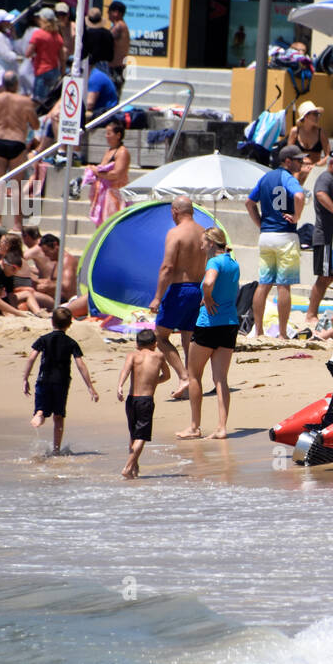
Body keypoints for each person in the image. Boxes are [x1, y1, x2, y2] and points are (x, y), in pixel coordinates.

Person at [178, 226, 240, 440]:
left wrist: (208, 296)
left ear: (212, 244)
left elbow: (209, 282)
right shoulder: (233, 262)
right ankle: (222, 428)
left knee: (194, 375)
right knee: (221, 378)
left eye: (203, 242)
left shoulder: (214, 262)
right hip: (230, 323)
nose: (201, 246)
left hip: (209, 323)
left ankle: (195, 427)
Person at [247, 144, 306, 337]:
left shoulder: (265, 177)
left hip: (266, 236)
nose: (302, 163)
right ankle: (282, 333)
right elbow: (299, 195)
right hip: (285, 235)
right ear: (287, 161)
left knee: (264, 284)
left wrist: (260, 223)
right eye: (298, 160)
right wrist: (297, 216)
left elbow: (249, 202)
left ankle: (259, 331)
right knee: (283, 285)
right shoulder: (287, 178)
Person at [149, 195, 204, 394]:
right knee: (188, 337)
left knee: (160, 336)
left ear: (175, 211)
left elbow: (167, 267)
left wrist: (157, 297)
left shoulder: (176, 233)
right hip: (199, 289)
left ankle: (183, 376)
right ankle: (192, 381)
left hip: (180, 289)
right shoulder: (203, 232)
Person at [24, 306, 98, 454]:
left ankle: (39, 415)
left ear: (52, 322)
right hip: (61, 383)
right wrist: (90, 387)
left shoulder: (43, 339)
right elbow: (80, 365)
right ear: (70, 324)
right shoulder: (71, 343)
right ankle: (56, 450)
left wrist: (25, 378)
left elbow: (31, 358)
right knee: (58, 416)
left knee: (41, 409)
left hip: (43, 380)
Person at [305, 148, 333, 327]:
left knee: (332, 276)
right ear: (331, 163)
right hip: (325, 237)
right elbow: (320, 194)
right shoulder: (325, 178)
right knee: (324, 277)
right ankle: (310, 314)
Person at [117, 329, 170, 479]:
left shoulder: (132, 355)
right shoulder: (159, 356)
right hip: (146, 401)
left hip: (131, 399)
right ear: (155, 344)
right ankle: (128, 467)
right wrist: (154, 382)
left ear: (137, 344)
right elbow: (167, 375)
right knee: (142, 436)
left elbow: (125, 371)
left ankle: (134, 468)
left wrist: (120, 386)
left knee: (133, 435)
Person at [0, 70, 40, 185]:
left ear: (3, 84)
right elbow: (35, 125)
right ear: (17, 84)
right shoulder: (25, 102)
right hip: (17, 142)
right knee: (16, 187)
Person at [82, 119, 130, 226]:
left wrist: (97, 172)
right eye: (106, 133)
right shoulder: (108, 151)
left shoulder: (122, 152)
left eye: (109, 133)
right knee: (101, 225)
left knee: (111, 225)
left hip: (114, 194)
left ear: (118, 135)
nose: (106, 136)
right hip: (103, 194)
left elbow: (117, 174)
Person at [0, 250, 41, 316]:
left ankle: (38, 313)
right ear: (4, 264)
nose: (15, 271)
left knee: (27, 293)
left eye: (18, 269)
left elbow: (10, 294)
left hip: (2, 302)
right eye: (14, 268)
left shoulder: (10, 275)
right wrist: (13, 312)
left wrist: (14, 307)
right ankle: (17, 313)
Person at [26, 8, 65, 105]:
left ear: (43, 20)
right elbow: (62, 58)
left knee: (37, 102)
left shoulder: (38, 34)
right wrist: (62, 73)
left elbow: (28, 53)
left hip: (42, 70)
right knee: (49, 102)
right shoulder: (58, 37)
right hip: (54, 71)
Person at [0, 10, 25, 101]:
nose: (9, 23)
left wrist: (13, 35)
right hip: (1, 75)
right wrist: (16, 56)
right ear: (0, 23)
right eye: (6, 21)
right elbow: (8, 56)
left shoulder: (5, 36)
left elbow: (18, 48)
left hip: (8, 74)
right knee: (1, 101)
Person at [286, 100, 329, 175]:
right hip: (297, 169)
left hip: (314, 169)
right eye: (315, 114)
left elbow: (328, 155)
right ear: (306, 116)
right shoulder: (295, 131)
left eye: (318, 114)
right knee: (297, 174)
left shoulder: (321, 133)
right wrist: (300, 167)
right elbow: (289, 154)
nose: (317, 117)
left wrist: (315, 165)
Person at [80, 7, 115, 73]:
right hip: (104, 65)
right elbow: (111, 55)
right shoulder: (108, 33)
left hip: (90, 65)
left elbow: (84, 52)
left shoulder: (87, 34)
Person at [107, 1, 130, 90]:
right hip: (117, 68)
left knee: (113, 95)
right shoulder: (120, 26)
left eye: (109, 11)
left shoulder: (119, 26)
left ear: (116, 13)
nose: (107, 14)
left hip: (116, 69)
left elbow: (106, 40)